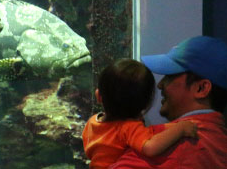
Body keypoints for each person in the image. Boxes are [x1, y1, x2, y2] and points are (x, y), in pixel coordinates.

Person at [109, 36, 227, 169]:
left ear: (201, 88)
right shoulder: (218, 141)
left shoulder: (180, 142)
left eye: (170, 76)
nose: (160, 84)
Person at [83, 59, 197, 169]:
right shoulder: (128, 128)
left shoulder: (92, 122)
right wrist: (180, 129)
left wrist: (170, 127)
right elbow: (150, 147)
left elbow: (89, 151)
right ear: (146, 104)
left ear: (98, 96)